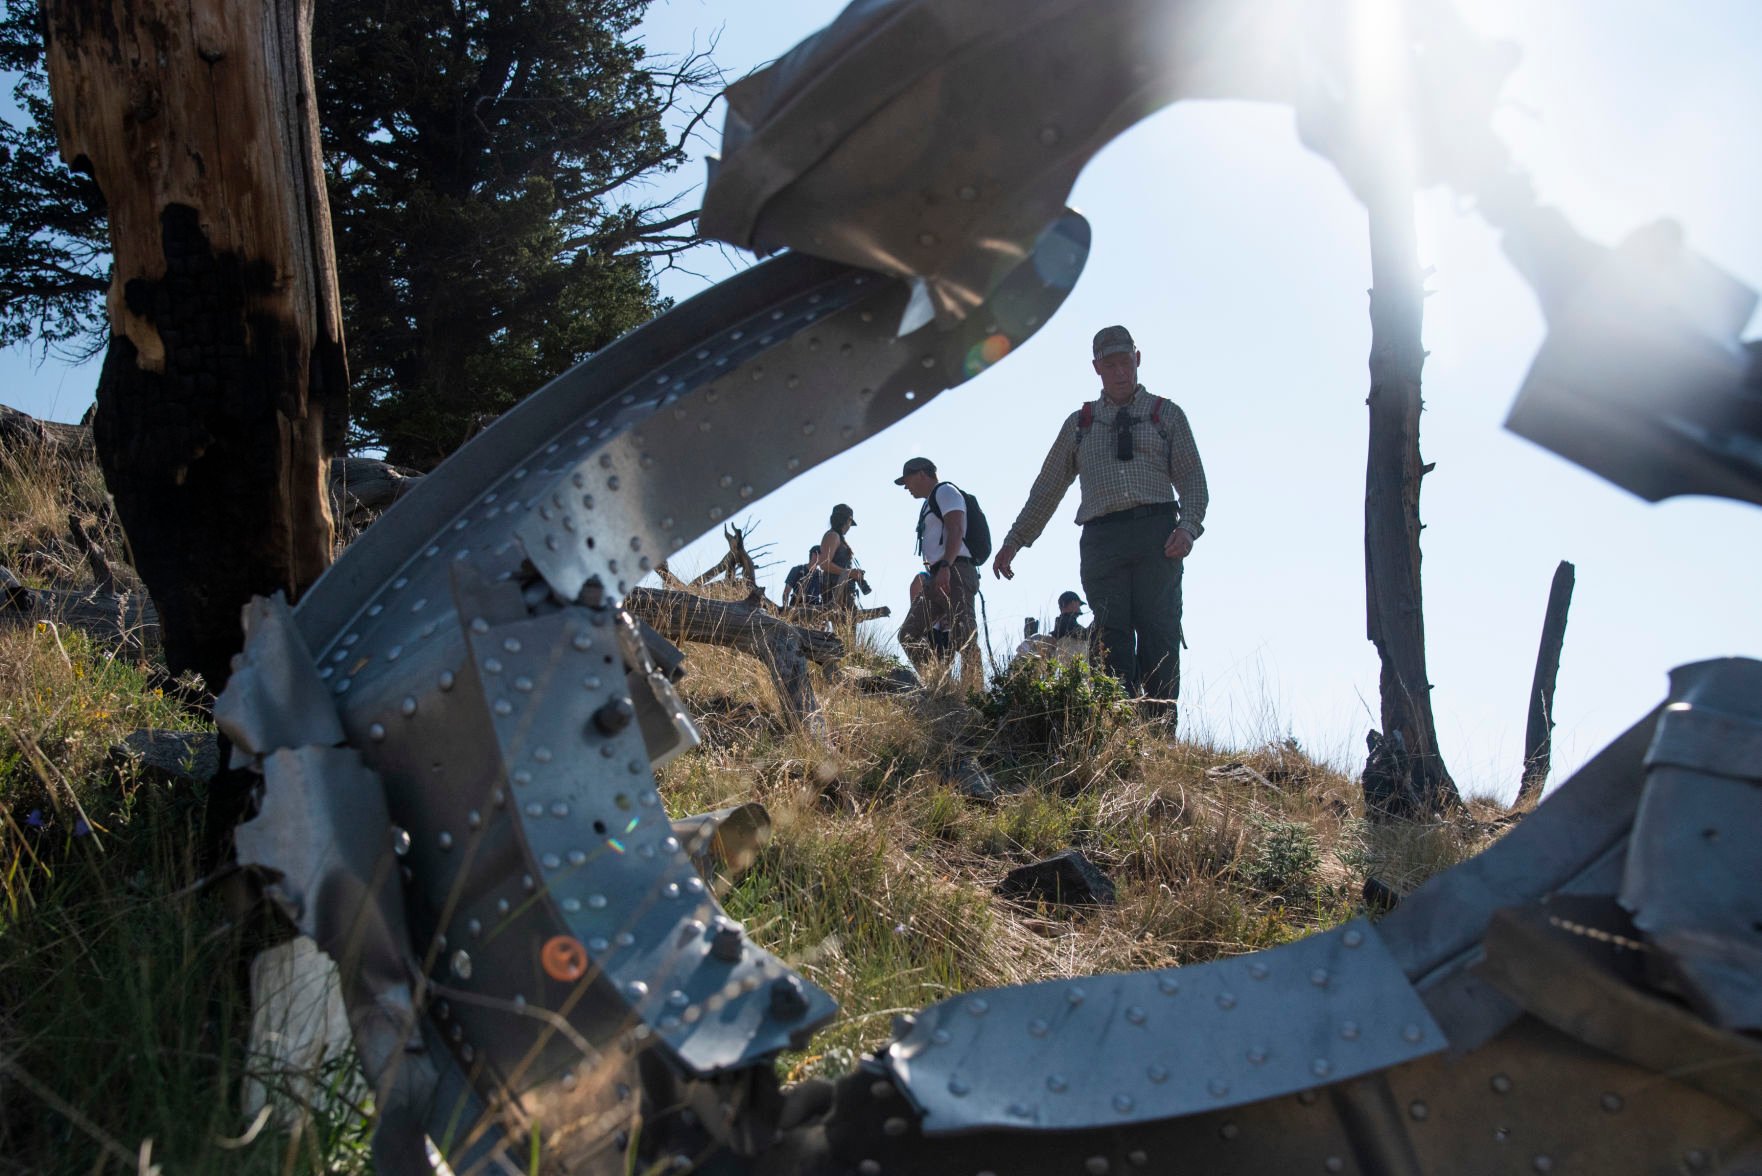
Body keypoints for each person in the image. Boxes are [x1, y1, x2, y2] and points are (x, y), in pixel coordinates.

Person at [992, 325, 1209, 720]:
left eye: (1125, 362)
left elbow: (1193, 480)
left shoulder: (1166, 415)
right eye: (1110, 365)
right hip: (1102, 541)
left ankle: (1159, 734)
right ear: (1096, 368)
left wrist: (1188, 527)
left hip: (1157, 536)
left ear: (1138, 359)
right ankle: (1121, 731)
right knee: (1111, 638)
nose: (1120, 372)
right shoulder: (1081, 424)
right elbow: (1047, 488)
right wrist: (1015, 541)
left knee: (1160, 633)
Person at [895, 456, 982, 691]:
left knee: (964, 636)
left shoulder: (945, 492)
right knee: (908, 634)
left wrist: (946, 566)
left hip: (955, 571)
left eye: (908, 481)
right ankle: (941, 686)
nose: (907, 488)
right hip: (939, 574)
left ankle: (974, 695)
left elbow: (956, 527)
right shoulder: (930, 502)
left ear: (922, 474)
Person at [817, 504, 865, 609]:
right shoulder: (833, 535)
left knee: (847, 623)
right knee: (843, 622)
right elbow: (824, 564)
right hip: (836, 593)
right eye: (850, 523)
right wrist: (850, 573)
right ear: (846, 521)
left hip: (843, 592)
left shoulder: (837, 537)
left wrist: (852, 574)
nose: (849, 527)